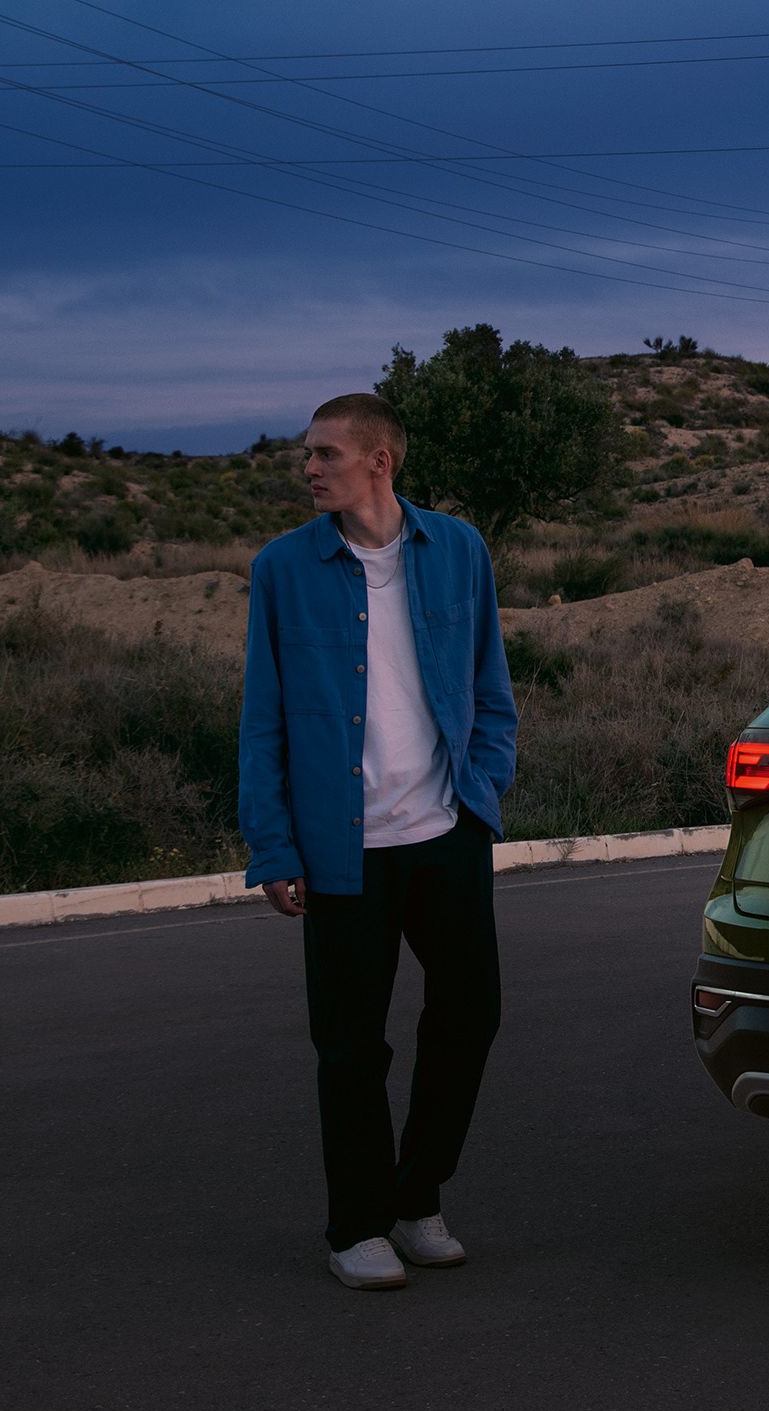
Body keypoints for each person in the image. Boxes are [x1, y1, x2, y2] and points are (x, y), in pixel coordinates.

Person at [239, 393, 518, 1291]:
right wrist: (274, 846)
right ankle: (357, 1224)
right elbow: (264, 721)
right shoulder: (282, 569)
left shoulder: (458, 550)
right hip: (342, 846)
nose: (308, 468)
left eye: (324, 454)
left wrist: (485, 784)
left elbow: (489, 681)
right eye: (307, 454)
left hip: (446, 831)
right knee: (353, 1044)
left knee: (469, 1014)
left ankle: (416, 1197)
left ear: (379, 461)